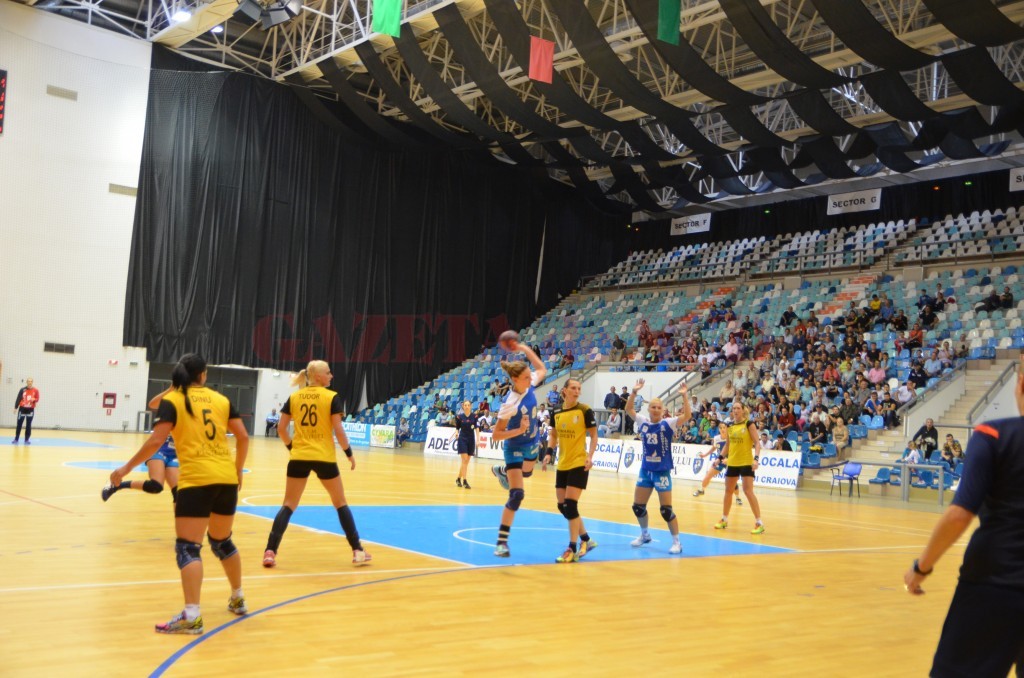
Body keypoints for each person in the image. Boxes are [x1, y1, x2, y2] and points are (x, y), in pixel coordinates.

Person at [106, 354, 249, 634]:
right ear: (203, 375)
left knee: (188, 547)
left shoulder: (173, 400)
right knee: (222, 542)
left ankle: (192, 615)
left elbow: (156, 440)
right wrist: (238, 470)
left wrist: (125, 468)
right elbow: (243, 437)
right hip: (226, 479)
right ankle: (238, 597)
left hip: (196, 480)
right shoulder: (221, 400)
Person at [902, 370, 1024, 677]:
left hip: (994, 582)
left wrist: (921, 568)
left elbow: (960, 515)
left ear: (1020, 384)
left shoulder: (993, 435)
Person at [262, 360, 371, 569]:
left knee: (288, 504)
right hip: (324, 457)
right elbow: (338, 430)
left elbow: (282, 429)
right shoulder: (331, 397)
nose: (331, 376)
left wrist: (291, 448)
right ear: (319, 376)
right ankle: (357, 550)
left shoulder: (294, 397)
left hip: (299, 456)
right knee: (340, 503)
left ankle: (270, 551)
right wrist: (349, 453)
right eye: (328, 373)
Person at [490, 340, 547, 557]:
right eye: (525, 377)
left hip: (532, 444)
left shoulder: (529, 382)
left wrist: (524, 349)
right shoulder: (509, 404)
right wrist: (519, 430)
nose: (530, 378)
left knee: (528, 473)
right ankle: (501, 542)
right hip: (514, 446)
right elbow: (496, 435)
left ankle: (503, 472)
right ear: (515, 380)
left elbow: (542, 368)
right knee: (517, 494)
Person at [625, 379, 691, 555]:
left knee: (666, 510)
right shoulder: (643, 421)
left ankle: (677, 542)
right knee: (638, 507)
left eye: (658, 407)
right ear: (648, 409)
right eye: (653, 407)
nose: (655, 409)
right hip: (645, 471)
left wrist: (684, 396)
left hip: (661, 472)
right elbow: (628, 409)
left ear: (663, 410)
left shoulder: (667, 423)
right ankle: (645, 535)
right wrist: (634, 392)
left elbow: (687, 417)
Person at [548, 379, 598, 563]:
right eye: (573, 388)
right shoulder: (557, 411)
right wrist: (548, 453)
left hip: (579, 462)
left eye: (579, 388)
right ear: (565, 391)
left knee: (570, 504)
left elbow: (594, 435)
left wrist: (590, 456)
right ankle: (587, 539)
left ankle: (572, 548)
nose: (577, 391)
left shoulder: (584, 410)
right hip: (562, 463)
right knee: (562, 506)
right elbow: (553, 434)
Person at [102, 387, 180, 503]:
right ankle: (119, 486)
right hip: (159, 449)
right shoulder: (172, 401)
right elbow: (153, 404)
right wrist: (171, 389)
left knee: (179, 493)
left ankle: (180, 520)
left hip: (175, 452)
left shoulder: (194, 405)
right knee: (156, 485)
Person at [714, 402, 765, 534]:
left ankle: (759, 522)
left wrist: (756, 459)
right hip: (732, 462)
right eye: (734, 408)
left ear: (743, 410)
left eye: (738, 408)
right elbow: (727, 445)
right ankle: (724, 519)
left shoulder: (749, 424)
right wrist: (719, 458)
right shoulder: (730, 426)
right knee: (728, 491)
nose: (735, 410)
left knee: (748, 491)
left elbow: (757, 443)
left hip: (746, 462)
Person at [453, 400, 479, 489]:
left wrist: (478, 439)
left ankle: (458, 479)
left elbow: (477, 428)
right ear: (463, 406)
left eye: (468, 405)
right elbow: (457, 428)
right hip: (462, 439)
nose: (467, 406)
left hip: (471, 440)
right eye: (465, 405)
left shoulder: (475, 416)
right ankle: (465, 481)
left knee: (466, 462)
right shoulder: (459, 417)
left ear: (471, 406)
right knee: (464, 460)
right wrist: (456, 433)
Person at [12, 377, 40, 444]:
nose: (29, 382)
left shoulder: (36, 390)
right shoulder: (22, 390)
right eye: (28, 381)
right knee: (19, 424)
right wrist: (15, 407)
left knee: (28, 425)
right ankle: (16, 439)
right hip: (22, 409)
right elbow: (18, 398)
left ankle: (26, 439)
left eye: (31, 381)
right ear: (26, 382)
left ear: (32, 382)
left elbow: (37, 398)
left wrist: (34, 400)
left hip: (30, 410)